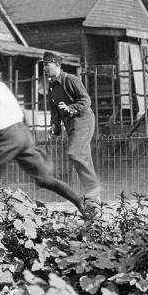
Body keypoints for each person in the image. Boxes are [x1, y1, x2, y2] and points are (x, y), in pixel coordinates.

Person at [0, 50, 86, 214]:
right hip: (22, 132)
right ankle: (81, 204)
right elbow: (11, 106)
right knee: (44, 179)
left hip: (7, 135)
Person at [44, 52, 102, 209]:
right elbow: (54, 110)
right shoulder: (52, 86)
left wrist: (70, 108)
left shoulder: (70, 80)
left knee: (74, 153)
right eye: (43, 65)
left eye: (47, 65)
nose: (44, 68)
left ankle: (93, 187)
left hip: (83, 120)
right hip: (70, 124)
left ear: (56, 65)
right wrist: (54, 125)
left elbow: (86, 100)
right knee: (82, 155)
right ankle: (94, 197)